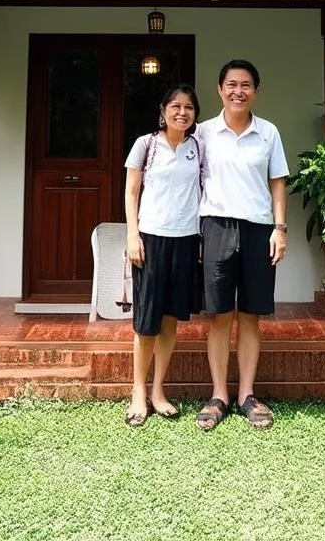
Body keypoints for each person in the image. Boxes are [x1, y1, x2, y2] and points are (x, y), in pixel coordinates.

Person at [196, 59, 289, 431]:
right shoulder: (202, 133)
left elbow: (278, 182)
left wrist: (279, 228)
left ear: (255, 91)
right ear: (220, 89)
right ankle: (219, 394)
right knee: (219, 316)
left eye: (246, 85)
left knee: (250, 315)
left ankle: (246, 394)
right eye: (231, 84)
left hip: (258, 229)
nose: (238, 91)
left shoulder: (268, 133)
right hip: (214, 227)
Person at [123, 83, 203, 427]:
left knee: (170, 318)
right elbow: (131, 191)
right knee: (146, 321)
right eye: (175, 106)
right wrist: (132, 234)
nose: (182, 112)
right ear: (163, 109)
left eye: (188, 107)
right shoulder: (146, 145)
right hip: (151, 239)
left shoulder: (198, 147)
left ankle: (158, 391)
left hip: (185, 239)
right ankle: (138, 391)